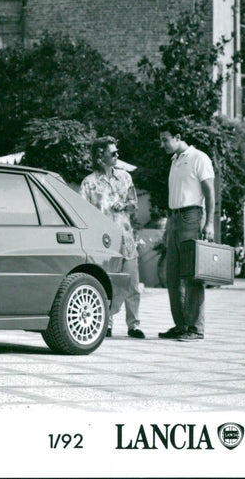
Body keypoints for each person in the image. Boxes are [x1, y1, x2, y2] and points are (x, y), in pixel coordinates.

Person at [80, 136, 145, 339]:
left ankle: (133, 325)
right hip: (104, 242)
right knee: (106, 283)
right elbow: (83, 213)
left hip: (126, 238)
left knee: (132, 283)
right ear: (101, 157)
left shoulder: (125, 177)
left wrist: (125, 205)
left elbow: (134, 203)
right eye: (113, 153)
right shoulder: (89, 183)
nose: (117, 155)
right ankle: (106, 323)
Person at [157, 120, 215, 342]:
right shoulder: (175, 160)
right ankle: (181, 325)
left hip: (191, 216)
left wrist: (209, 223)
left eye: (166, 140)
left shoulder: (199, 158)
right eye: (161, 140)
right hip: (173, 217)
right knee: (172, 275)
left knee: (191, 274)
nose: (163, 144)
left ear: (178, 137)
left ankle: (196, 328)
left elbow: (210, 193)